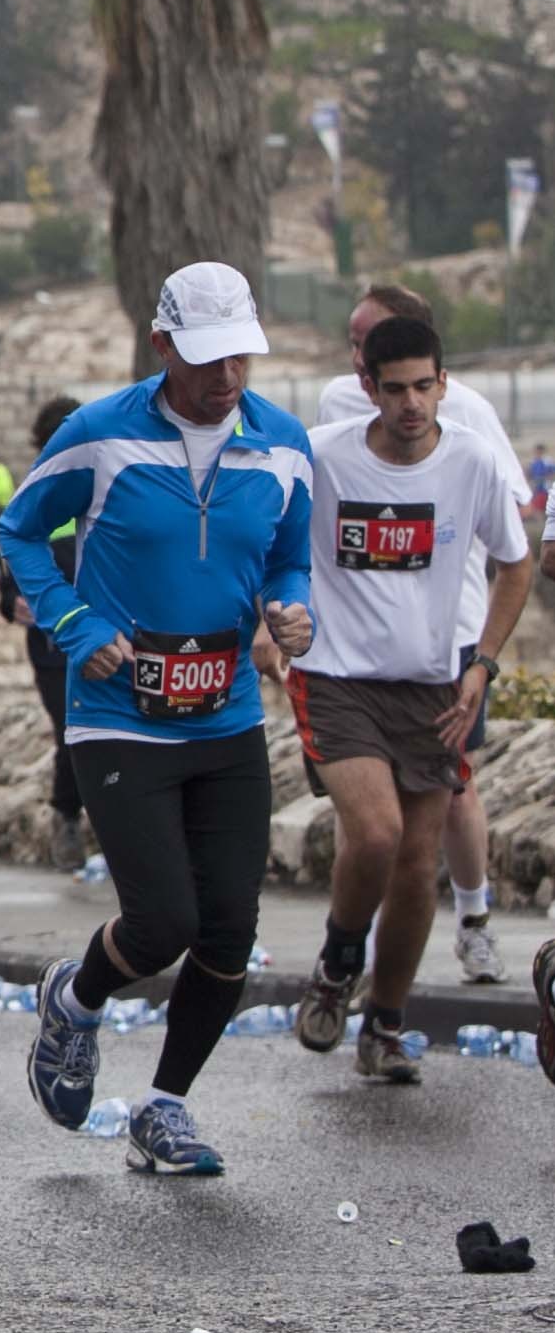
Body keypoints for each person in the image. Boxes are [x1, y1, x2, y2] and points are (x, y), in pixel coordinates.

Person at [6, 262, 313, 1178]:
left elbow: (291, 562)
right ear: (164, 345)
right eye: (209, 358)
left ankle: (165, 1106)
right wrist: (73, 622)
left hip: (224, 716)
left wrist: (291, 610)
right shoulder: (99, 434)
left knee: (228, 927)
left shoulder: (286, 444)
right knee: (163, 919)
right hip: (118, 714)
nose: (227, 379)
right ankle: (77, 998)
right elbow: (22, 531)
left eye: (242, 358)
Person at [286, 317, 536, 1078]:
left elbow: (515, 564)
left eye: (424, 387)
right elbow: (267, 538)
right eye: (393, 390)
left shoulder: (472, 462)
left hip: (432, 685)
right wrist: (273, 620)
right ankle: (335, 965)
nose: (410, 405)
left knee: (420, 861)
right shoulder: (322, 456)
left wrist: (482, 664)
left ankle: (384, 1026)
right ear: (368, 388)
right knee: (375, 833)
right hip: (335, 678)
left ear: (443, 384)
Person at [0, 397, 87, 864]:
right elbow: (6, 588)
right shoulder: (31, 496)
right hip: (53, 646)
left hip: (105, 633)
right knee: (71, 728)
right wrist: (15, 604)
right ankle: (66, 819)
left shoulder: (105, 486)